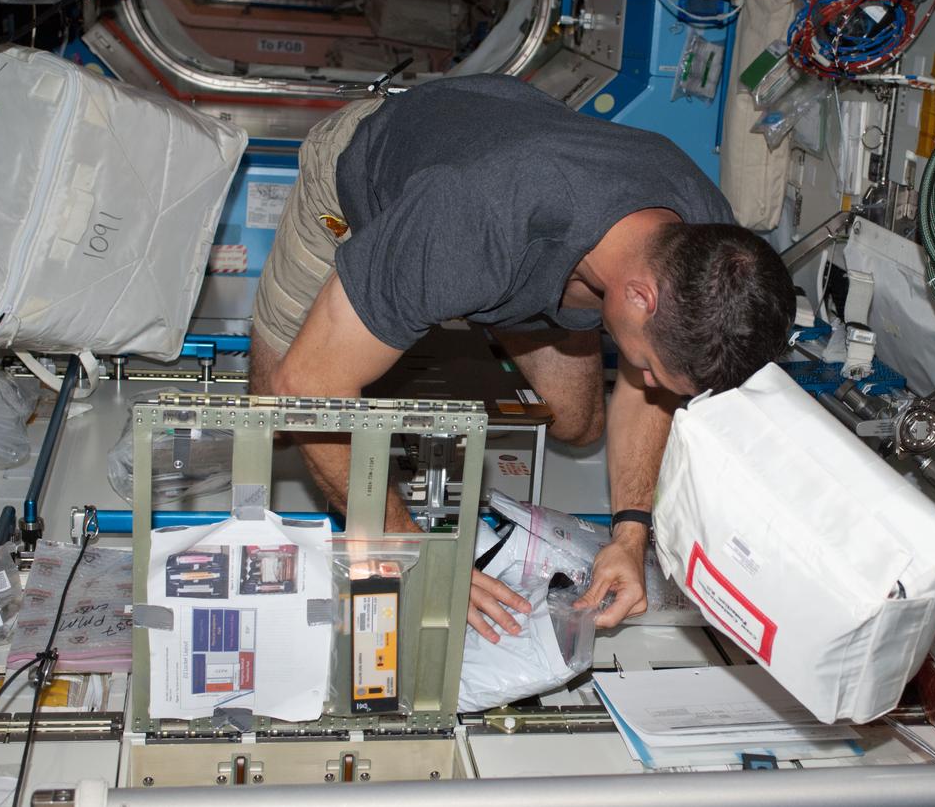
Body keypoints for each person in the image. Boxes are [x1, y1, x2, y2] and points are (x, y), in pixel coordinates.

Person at [249, 74, 795, 644]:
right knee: (280, 419)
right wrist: (417, 552)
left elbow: (653, 387)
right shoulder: (471, 216)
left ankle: (445, 298)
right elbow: (305, 385)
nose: (651, 381)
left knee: (580, 424)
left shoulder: (709, 245)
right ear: (639, 297)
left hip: (512, 220)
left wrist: (631, 534)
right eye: (653, 369)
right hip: (364, 177)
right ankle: (400, 301)